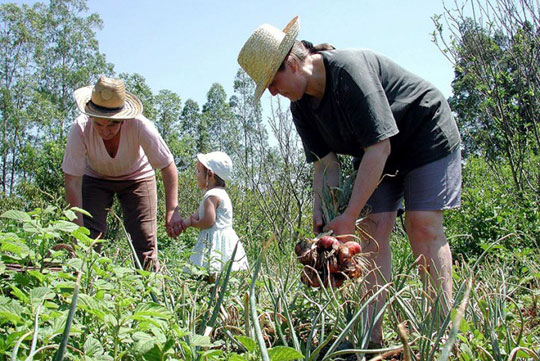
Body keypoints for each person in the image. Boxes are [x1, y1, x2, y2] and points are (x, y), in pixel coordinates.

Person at [238, 16, 461, 345]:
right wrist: (324, 213)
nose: (272, 93)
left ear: (291, 64)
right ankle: (370, 339)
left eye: (272, 81)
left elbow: (379, 146)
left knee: (422, 226)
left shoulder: (348, 72)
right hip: (377, 151)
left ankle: (443, 336)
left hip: (423, 134)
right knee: (372, 232)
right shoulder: (301, 107)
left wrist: (350, 214)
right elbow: (326, 166)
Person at [62, 76, 184, 271]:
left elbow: (167, 166)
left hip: (137, 177)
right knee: (88, 238)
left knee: (144, 240)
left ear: (123, 119)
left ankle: (151, 293)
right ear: (91, 116)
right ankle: (86, 288)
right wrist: (77, 229)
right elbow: (72, 182)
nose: (105, 131)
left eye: (112, 125)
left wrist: (172, 210)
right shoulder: (80, 128)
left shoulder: (140, 125)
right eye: (99, 124)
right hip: (95, 178)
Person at [181, 151, 249, 279]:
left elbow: (208, 221)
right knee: (223, 274)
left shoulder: (211, 196)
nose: (196, 175)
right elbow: (196, 214)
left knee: (209, 270)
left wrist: (193, 224)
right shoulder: (221, 193)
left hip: (213, 240)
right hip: (226, 239)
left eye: (199, 171)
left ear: (210, 174)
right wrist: (183, 224)